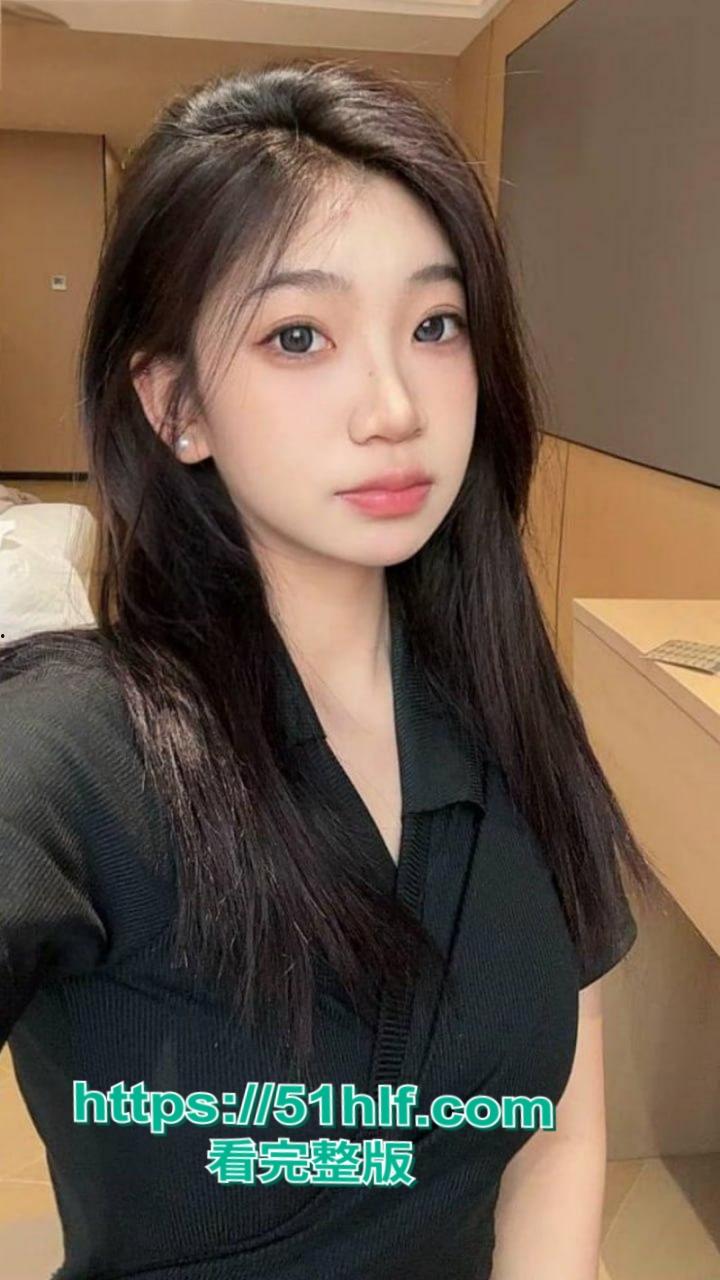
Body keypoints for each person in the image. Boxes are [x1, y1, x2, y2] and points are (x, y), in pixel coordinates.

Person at [0, 57, 657, 1280]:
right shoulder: (71, 745)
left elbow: (556, 1123)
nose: (394, 404)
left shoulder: (510, 708)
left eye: (435, 324)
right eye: (299, 335)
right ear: (175, 404)